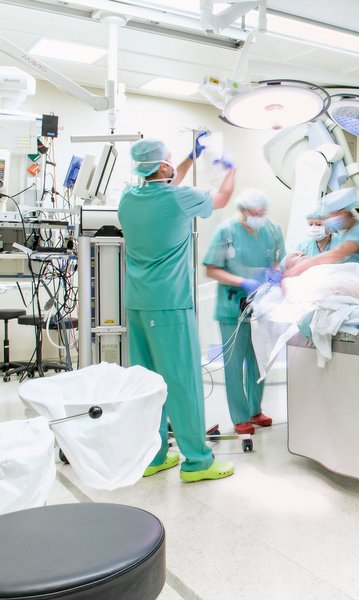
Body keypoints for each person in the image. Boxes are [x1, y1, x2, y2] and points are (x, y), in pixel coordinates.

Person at [118, 134, 237, 483]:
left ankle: (154, 455)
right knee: (182, 383)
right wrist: (232, 168)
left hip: (138, 305)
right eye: (171, 160)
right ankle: (197, 462)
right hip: (169, 307)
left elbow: (167, 186)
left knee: (149, 384)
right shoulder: (180, 199)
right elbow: (223, 197)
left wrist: (189, 157)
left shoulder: (128, 197)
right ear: (164, 166)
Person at [203, 188, 285, 435]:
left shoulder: (272, 230)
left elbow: (278, 259)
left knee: (260, 360)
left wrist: (275, 272)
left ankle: (255, 410)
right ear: (242, 211)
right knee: (235, 363)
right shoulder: (226, 232)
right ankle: (240, 416)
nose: (259, 217)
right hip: (232, 307)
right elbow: (212, 269)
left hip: (261, 306)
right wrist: (241, 282)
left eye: (262, 213)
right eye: (254, 213)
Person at [282, 188, 359, 278]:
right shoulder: (345, 234)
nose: (329, 220)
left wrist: (293, 271)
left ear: (344, 212)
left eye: (332, 215)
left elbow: (334, 255)